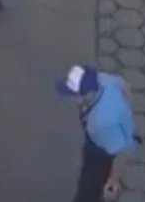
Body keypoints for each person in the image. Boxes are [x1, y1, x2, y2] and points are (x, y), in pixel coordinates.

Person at [56, 65, 138, 202]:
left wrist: (113, 182)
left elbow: (122, 151)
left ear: (85, 95)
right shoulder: (102, 79)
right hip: (116, 131)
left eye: (73, 95)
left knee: (89, 188)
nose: (70, 99)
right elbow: (124, 85)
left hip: (102, 149)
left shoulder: (99, 123)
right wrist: (126, 114)